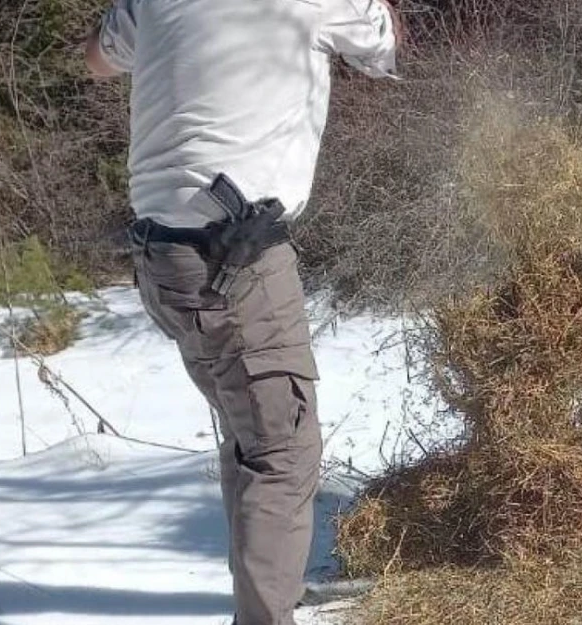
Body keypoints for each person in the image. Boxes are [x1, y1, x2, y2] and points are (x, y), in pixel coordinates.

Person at [83, 2, 400, 624]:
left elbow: (96, 59)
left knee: (255, 441)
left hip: (163, 260)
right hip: (235, 260)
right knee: (282, 452)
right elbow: (386, 50)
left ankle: (260, 601)